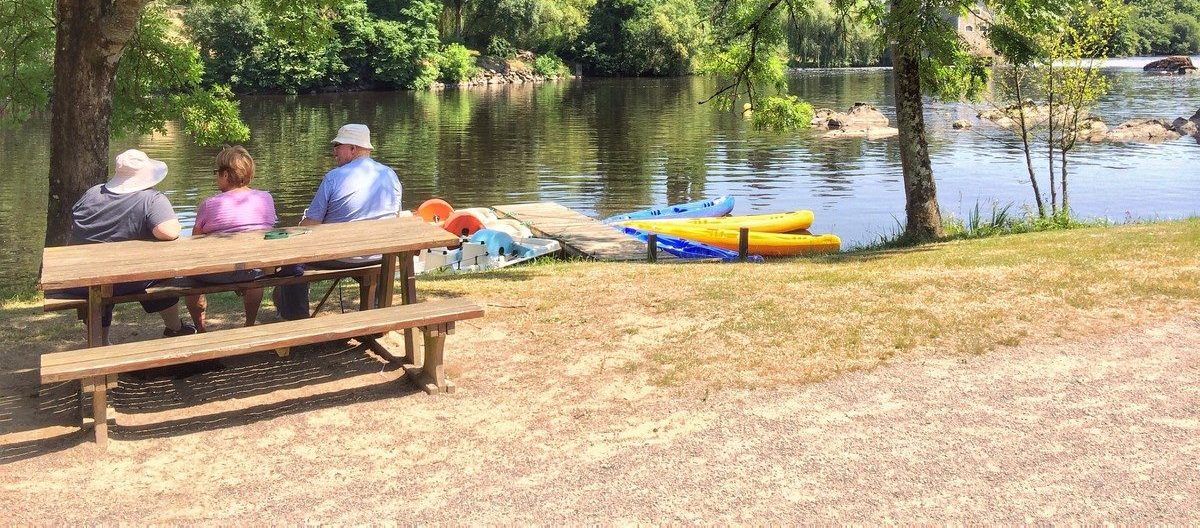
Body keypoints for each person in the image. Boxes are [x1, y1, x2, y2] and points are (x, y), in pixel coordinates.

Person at [52, 149, 196, 345]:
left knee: (103, 279)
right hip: (128, 279)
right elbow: (170, 232)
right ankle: (175, 328)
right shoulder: (151, 199)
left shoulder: (92, 194)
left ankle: (100, 340)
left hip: (83, 279)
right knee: (160, 276)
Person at [273, 124, 403, 320]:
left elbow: (311, 225)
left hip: (341, 257)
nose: (333, 151)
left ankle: (295, 319)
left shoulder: (334, 178)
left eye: (337, 145)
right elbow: (395, 217)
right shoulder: (390, 175)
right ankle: (376, 312)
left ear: (353, 149)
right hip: (380, 256)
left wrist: (301, 224)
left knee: (291, 256)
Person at [184, 146, 278, 332]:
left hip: (216, 271)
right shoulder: (266, 198)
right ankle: (249, 323)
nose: (216, 176)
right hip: (254, 269)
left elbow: (196, 242)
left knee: (191, 274)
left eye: (216, 172)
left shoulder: (209, 204)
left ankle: (200, 328)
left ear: (226, 175)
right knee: (253, 273)